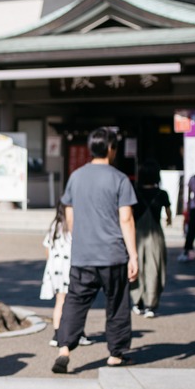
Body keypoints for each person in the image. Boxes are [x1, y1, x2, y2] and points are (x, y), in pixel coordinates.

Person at [51, 127, 138, 374]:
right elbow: (126, 219)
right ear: (111, 149)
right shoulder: (120, 179)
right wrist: (133, 255)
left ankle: (64, 348)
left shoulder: (76, 176)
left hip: (83, 254)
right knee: (117, 304)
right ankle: (116, 354)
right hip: (112, 254)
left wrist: (79, 237)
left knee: (75, 302)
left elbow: (69, 212)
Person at [39, 200, 90, 347]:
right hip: (70, 268)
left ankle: (57, 334)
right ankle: (77, 333)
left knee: (60, 301)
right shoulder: (75, 227)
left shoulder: (55, 226)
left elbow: (47, 248)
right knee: (76, 303)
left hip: (55, 269)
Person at [130, 162, 173, 318]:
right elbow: (168, 214)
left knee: (137, 266)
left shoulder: (134, 192)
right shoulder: (162, 194)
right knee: (154, 268)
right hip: (155, 234)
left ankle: (137, 301)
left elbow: (128, 213)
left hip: (136, 233)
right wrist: (168, 220)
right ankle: (151, 304)